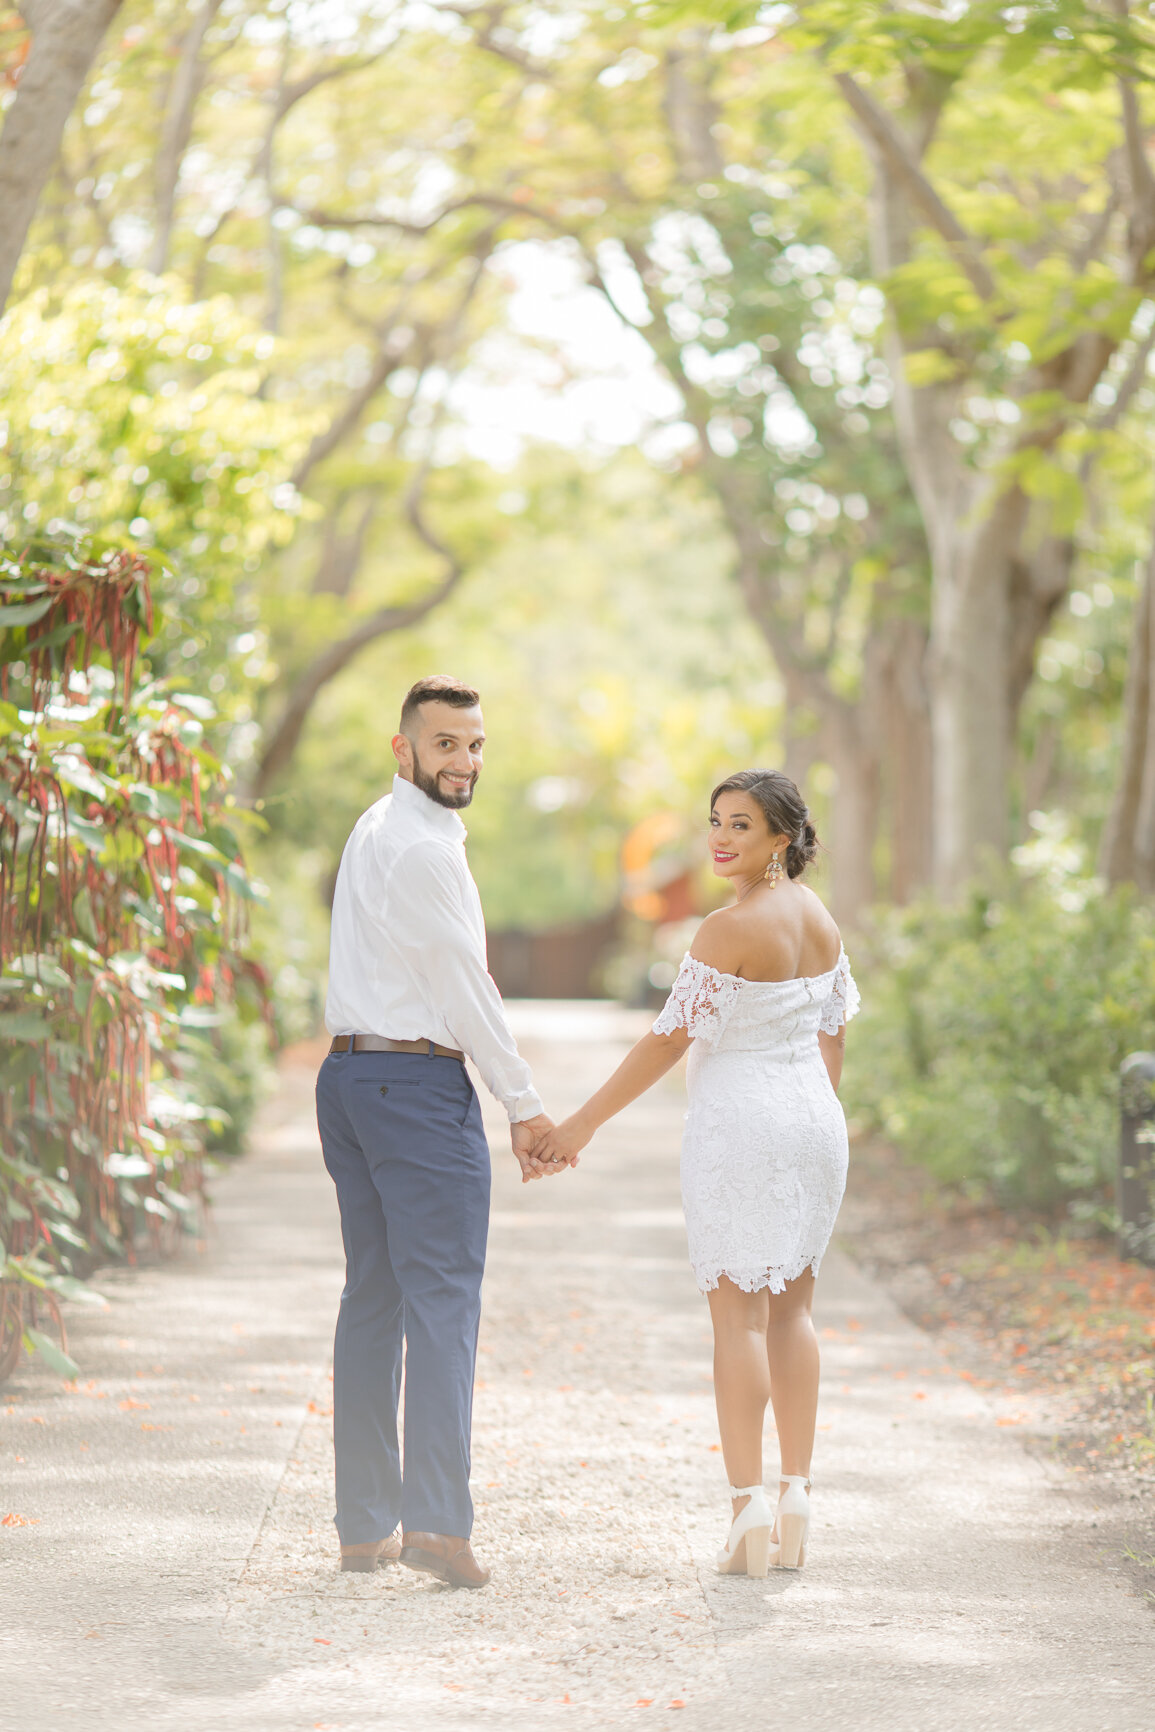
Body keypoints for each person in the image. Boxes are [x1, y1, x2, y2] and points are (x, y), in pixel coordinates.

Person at [536, 768, 859, 1578]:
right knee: (793, 1312)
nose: (720, 838)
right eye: (715, 821)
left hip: (741, 1122)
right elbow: (834, 1035)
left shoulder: (725, 929)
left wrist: (579, 1124)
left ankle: (747, 1510)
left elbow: (665, 1040)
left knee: (737, 1323)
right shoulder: (820, 919)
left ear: (780, 838)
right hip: (813, 1120)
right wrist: (807, 1111)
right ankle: (797, 1497)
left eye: (741, 826)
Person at [316, 675, 564, 1590]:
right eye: (444, 744)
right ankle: (437, 1526)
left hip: (348, 1078)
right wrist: (524, 1103)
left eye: (474, 744)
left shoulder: (374, 828)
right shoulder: (420, 850)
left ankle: (364, 1526)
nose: (463, 761)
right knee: (442, 1303)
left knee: (373, 1297)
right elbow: (466, 985)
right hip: (414, 1084)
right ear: (403, 748)